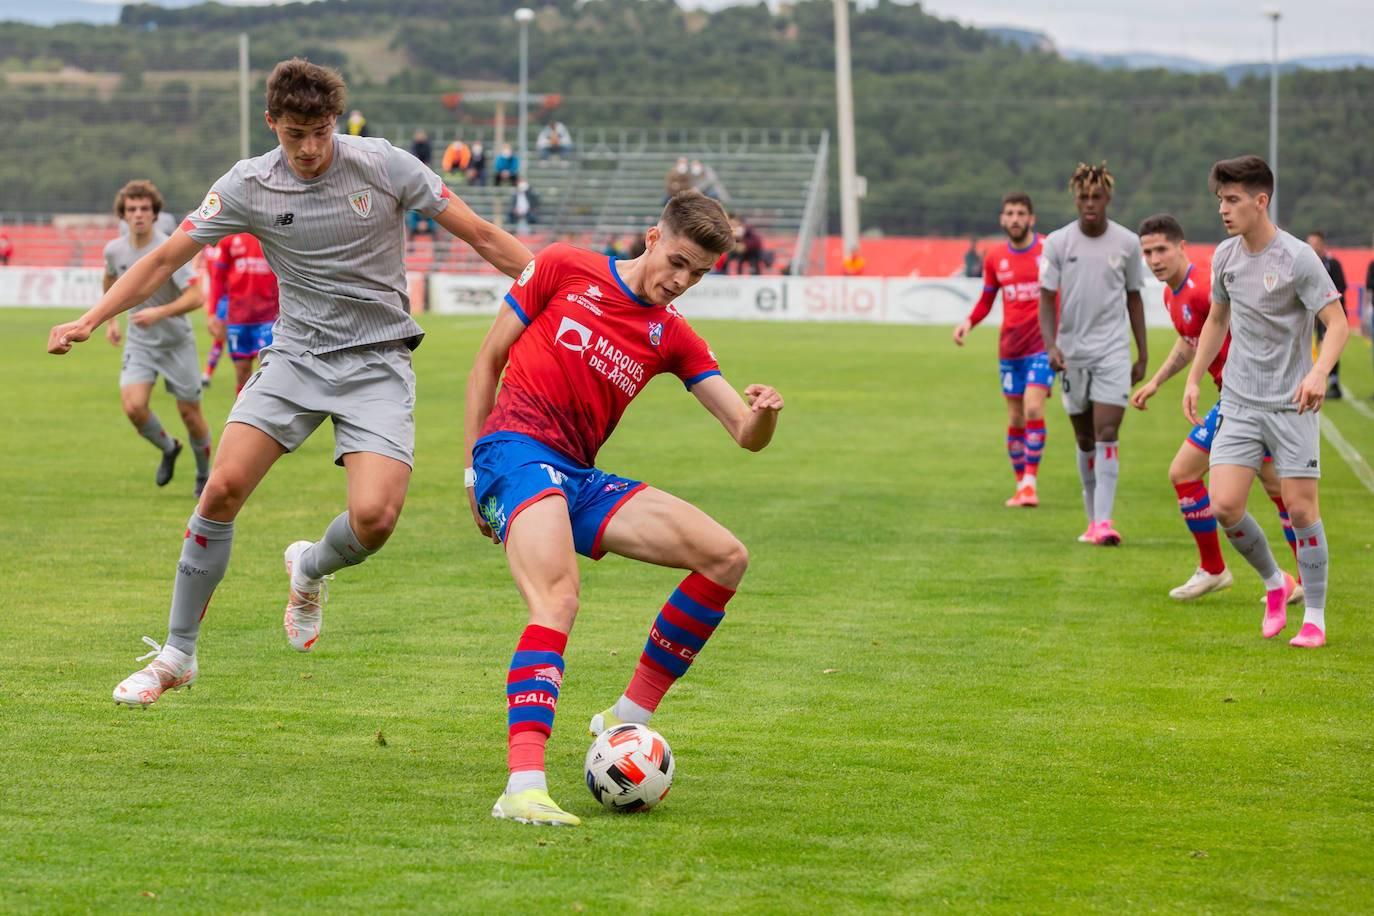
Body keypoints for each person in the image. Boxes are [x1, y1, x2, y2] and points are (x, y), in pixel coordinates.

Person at [47, 58, 534, 707]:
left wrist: (578, 292)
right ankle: (176, 654)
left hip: (378, 361)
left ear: (338, 121)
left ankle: (308, 567)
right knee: (221, 488)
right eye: (294, 133)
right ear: (273, 122)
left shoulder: (387, 166)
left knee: (376, 518)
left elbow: (482, 235)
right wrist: (91, 316)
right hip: (296, 355)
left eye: (321, 132)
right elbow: (166, 257)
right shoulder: (247, 184)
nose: (308, 149)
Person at [465, 189, 784, 826]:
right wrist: (474, 467)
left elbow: (743, 434)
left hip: (576, 477)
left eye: (699, 274)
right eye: (678, 261)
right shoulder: (563, 266)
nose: (682, 281)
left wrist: (765, 415)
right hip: (514, 452)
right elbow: (489, 358)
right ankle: (522, 785)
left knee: (725, 558)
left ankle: (628, 717)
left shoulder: (672, 336)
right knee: (558, 598)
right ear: (651, 239)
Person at [1183, 155, 1347, 647]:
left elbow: (1337, 323)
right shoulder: (1227, 257)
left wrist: (1319, 372)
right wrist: (1194, 378)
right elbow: (1216, 321)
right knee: (1225, 505)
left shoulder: (1297, 257)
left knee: (1300, 511)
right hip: (1238, 402)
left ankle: (1314, 616)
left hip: (1290, 405)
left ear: (1261, 201)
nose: (1223, 210)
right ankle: (1277, 583)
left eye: (1232, 200)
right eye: (1220, 201)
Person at [1129, 213, 1303, 602]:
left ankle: (1217, 569)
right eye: (1147, 252)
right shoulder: (1172, 294)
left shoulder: (1203, 287)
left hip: (1250, 397)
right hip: (1239, 399)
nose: (1155, 259)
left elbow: (1242, 323)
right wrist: (1156, 382)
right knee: (1279, 491)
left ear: (1181, 247)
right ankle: (1288, 577)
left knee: (1185, 472)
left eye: (1161, 250)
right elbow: (1190, 341)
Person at [1037, 161, 1147, 546]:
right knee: (1084, 439)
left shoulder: (1128, 242)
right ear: (1076, 198)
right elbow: (1046, 300)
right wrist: (1051, 345)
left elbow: (1134, 298)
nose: (1089, 203)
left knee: (1107, 431)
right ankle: (1091, 520)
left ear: (1108, 198)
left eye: (1096, 196)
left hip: (1113, 352)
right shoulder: (1058, 242)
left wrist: (1141, 353)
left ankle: (1104, 521)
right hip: (1071, 354)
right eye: (1083, 196)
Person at [100, 179, 213, 499]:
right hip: (140, 343)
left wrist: (158, 313)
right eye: (132, 209)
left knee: (191, 416)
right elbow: (109, 282)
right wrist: (110, 321)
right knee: (134, 407)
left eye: (145, 209)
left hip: (176, 343)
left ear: (154, 213)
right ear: (122, 214)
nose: (138, 214)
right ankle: (168, 447)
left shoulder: (168, 248)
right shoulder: (115, 250)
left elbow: (196, 297)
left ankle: (204, 473)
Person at [953, 191, 1053, 508]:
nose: (1015, 219)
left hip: (1043, 346)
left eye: (1021, 213)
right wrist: (968, 322)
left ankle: (1030, 484)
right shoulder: (995, 257)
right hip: (1010, 348)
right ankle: (1020, 483)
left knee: (1034, 408)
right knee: (1016, 416)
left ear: (1031, 219)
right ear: (1002, 218)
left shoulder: (1048, 249)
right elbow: (987, 299)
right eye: (1009, 213)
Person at [206, 232, 280, 395]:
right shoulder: (229, 237)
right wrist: (212, 313)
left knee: (268, 374)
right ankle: (241, 417)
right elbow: (218, 278)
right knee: (241, 374)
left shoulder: (270, 233)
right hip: (237, 318)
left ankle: (265, 418)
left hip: (268, 317)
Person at [1306, 231, 1346, 399]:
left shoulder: (1332, 264)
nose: (1314, 247)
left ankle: (1333, 383)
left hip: (1328, 311)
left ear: (1323, 245)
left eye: (1316, 243)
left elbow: (1341, 287)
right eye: (1310, 243)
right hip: (1311, 313)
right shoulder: (1305, 263)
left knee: (1327, 344)